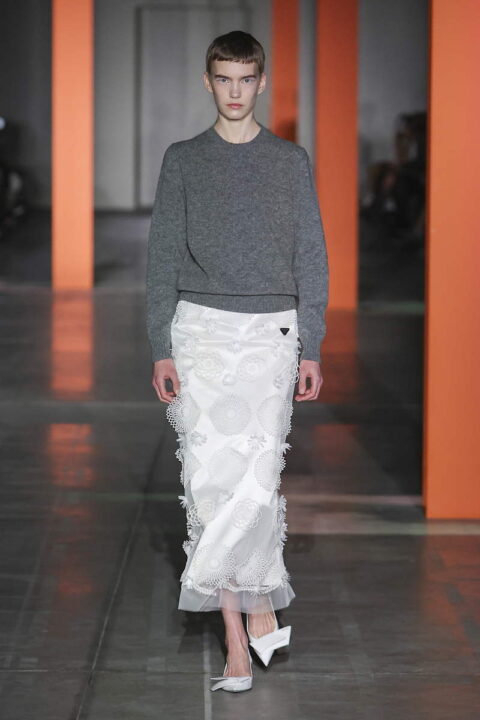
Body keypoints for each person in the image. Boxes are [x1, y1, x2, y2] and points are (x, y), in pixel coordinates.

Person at [146, 30, 329, 692]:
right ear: (208, 81)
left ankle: (258, 602)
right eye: (223, 78)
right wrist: (161, 345)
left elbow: (311, 252)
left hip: (270, 334)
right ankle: (237, 632)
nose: (234, 91)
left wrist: (313, 342)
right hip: (201, 332)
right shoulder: (183, 160)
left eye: (245, 79)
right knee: (209, 484)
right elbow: (162, 256)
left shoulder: (289, 161)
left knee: (255, 479)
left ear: (260, 82)